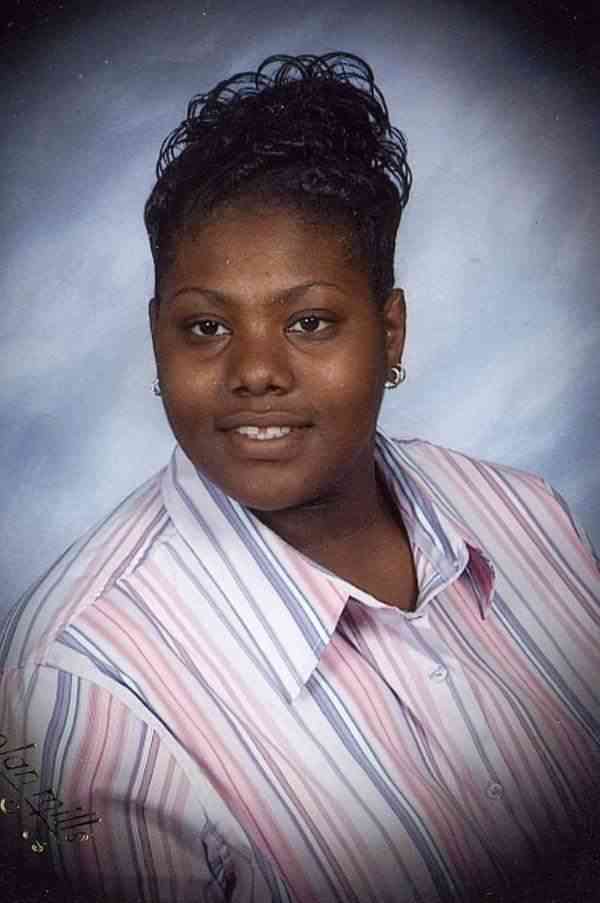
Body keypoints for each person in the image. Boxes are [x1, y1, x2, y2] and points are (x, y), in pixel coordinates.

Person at [1, 51, 599, 903]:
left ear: (390, 334)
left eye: (310, 321)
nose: (255, 371)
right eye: (206, 327)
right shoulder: (79, 688)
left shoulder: (526, 514)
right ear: (157, 337)